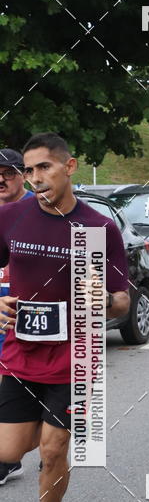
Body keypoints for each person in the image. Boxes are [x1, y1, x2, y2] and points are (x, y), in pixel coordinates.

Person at [0, 132, 130, 502]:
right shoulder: (11, 217)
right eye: (29, 170)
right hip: (21, 353)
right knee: (9, 451)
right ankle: (47, 429)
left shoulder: (97, 228)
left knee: (55, 450)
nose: (36, 178)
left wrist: (103, 301)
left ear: (69, 167)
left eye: (45, 167)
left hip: (76, 356)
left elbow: (122, 301)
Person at [0, 149, 35, 374]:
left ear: (24, 175)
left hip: (27, 314)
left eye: (8, 173)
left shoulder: (41, 209)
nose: (1, 180)